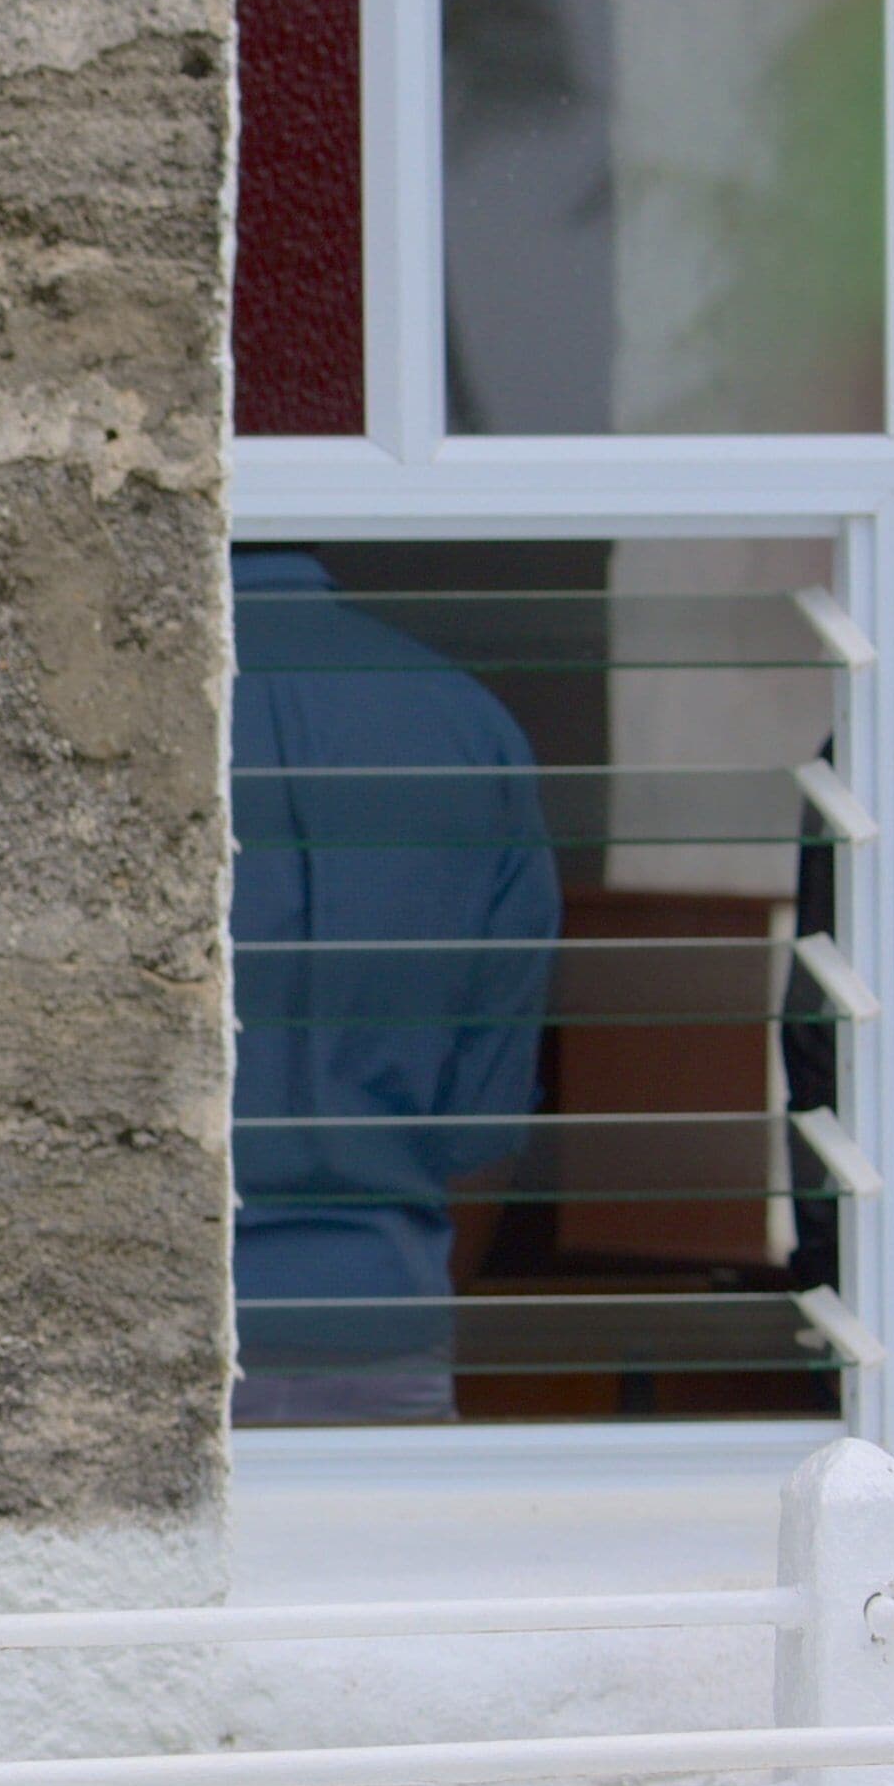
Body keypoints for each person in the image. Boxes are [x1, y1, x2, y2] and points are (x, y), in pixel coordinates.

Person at [231, 551, 562, 1423]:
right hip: (385, 1322)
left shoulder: (113, 705)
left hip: (141, 1323)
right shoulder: (465, 722)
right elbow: (486, 1123)